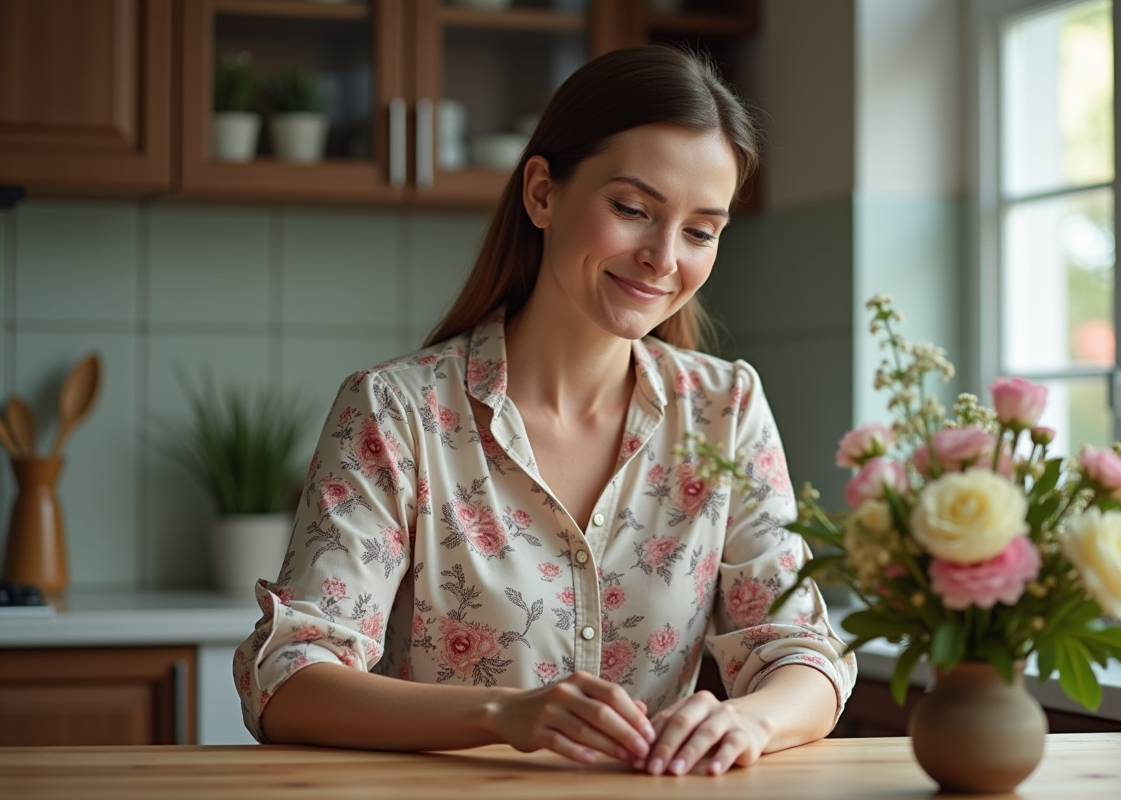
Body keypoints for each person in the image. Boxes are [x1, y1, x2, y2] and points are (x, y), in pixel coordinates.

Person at [233, 44, 856, 777]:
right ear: (542, 193)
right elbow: (288, 680)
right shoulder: (396, 412)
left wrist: (748, 718)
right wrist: (505, 714)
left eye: (700, 230)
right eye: (632, 209)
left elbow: (802, 650)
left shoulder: (725, 409)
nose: (663, 257)